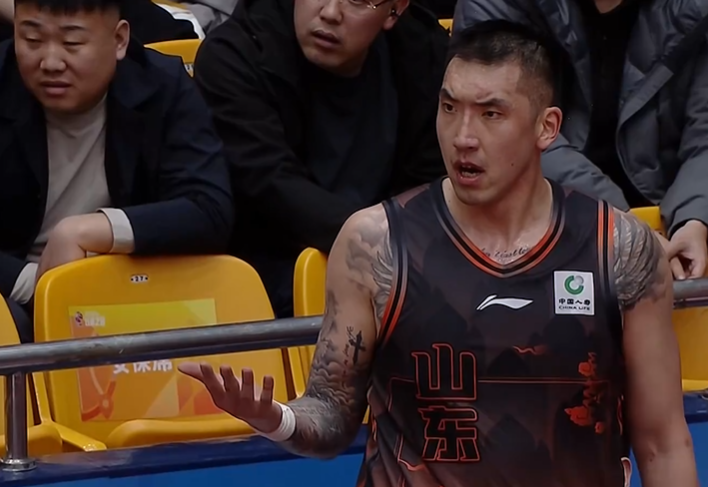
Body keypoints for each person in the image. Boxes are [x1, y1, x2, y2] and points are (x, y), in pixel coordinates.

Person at [180, 22, 698, 486]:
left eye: (491, 113)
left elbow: (663, 443)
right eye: (450, 108)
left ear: (547, 127)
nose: (463, 137)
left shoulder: (620, 249)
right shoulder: (373, 243)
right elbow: (332, 415)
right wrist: (278, 419)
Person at [194, 0, 449, 317]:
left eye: (357, 0)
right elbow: (270, 185)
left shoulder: (423, 52)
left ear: (395, 10)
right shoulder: (236, 55)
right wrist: (386, 242)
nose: (330, 13)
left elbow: (430, 180)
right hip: (271, 275)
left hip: (401, 270)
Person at [0, 0, 233, 342]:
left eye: (72, 43)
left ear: (119, 39)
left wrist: (91, 229)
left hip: (132, 287)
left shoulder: (163, 86)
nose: (50, 62)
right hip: (14, 296)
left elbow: (210, 208)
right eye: (32, 40)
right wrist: (37, 284)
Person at [454, 0, 708, 282]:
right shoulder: (498, 6)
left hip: (666, 220)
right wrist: (618, 223)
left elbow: (704, 134)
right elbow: (503, 128)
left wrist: (694, 219)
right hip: (536, 216)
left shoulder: (695, 8)